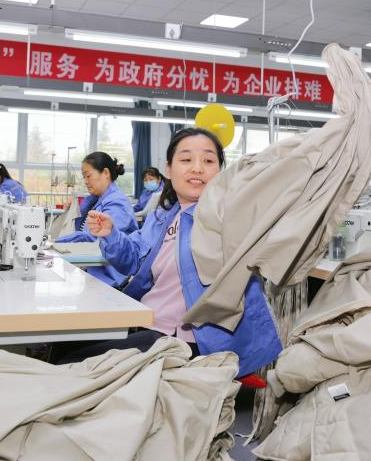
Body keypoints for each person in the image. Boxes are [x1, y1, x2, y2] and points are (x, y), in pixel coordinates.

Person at [54, 128, 282, 377]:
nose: (197, 168)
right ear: (169, 169)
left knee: (69, 362)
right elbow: (132, 260)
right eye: (186, 159)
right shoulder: (162, 217)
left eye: (208, 161)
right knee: (62, 343)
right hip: (147, 322)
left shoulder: (227, 216)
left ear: (221, 171)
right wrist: (111, 234)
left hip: (183, 340)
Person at [56, 152, 137, 287]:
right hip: (95, 272)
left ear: (105, 173)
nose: (86, 181)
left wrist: (55, 242)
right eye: (84, 177)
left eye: (88, 176)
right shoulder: (98, 200)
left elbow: (96, 236)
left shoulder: (117, 203)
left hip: (110, 278)